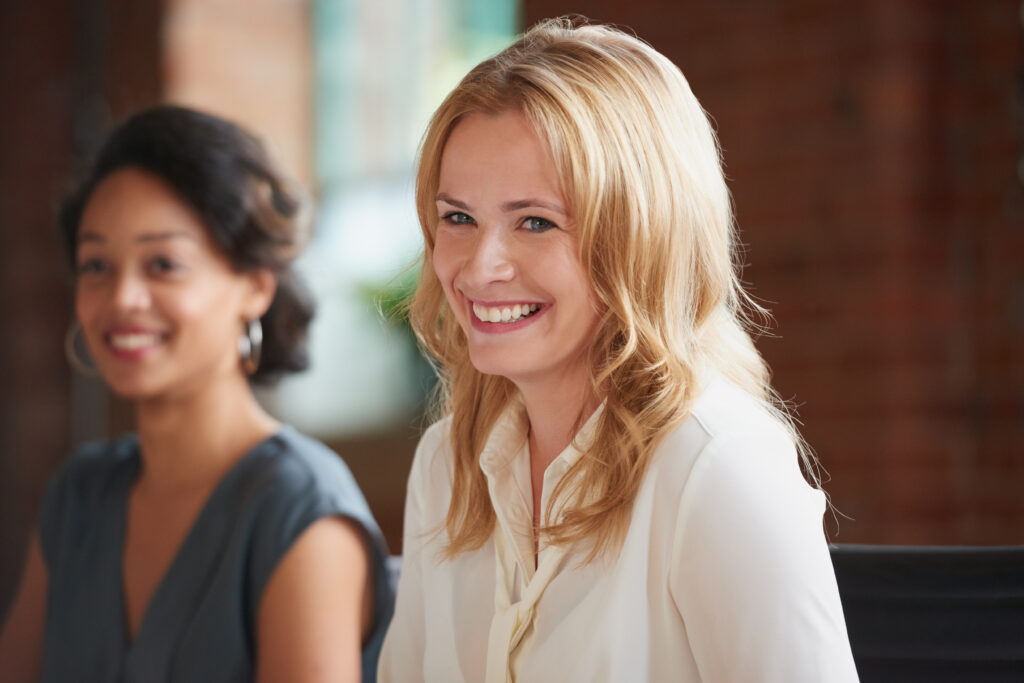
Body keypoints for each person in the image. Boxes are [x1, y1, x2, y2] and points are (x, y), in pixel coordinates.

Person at [378, 18, 859, 682]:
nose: (480, 266)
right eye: (458, 217)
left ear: (640, 236)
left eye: (536, 221)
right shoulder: (445, 466)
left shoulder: (716, 466)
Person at [0, 105, 392, 682]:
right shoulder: (79, 497)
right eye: (96, 265)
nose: (122, 298)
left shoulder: (299, 510)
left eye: (163, 263)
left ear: (255, 287)